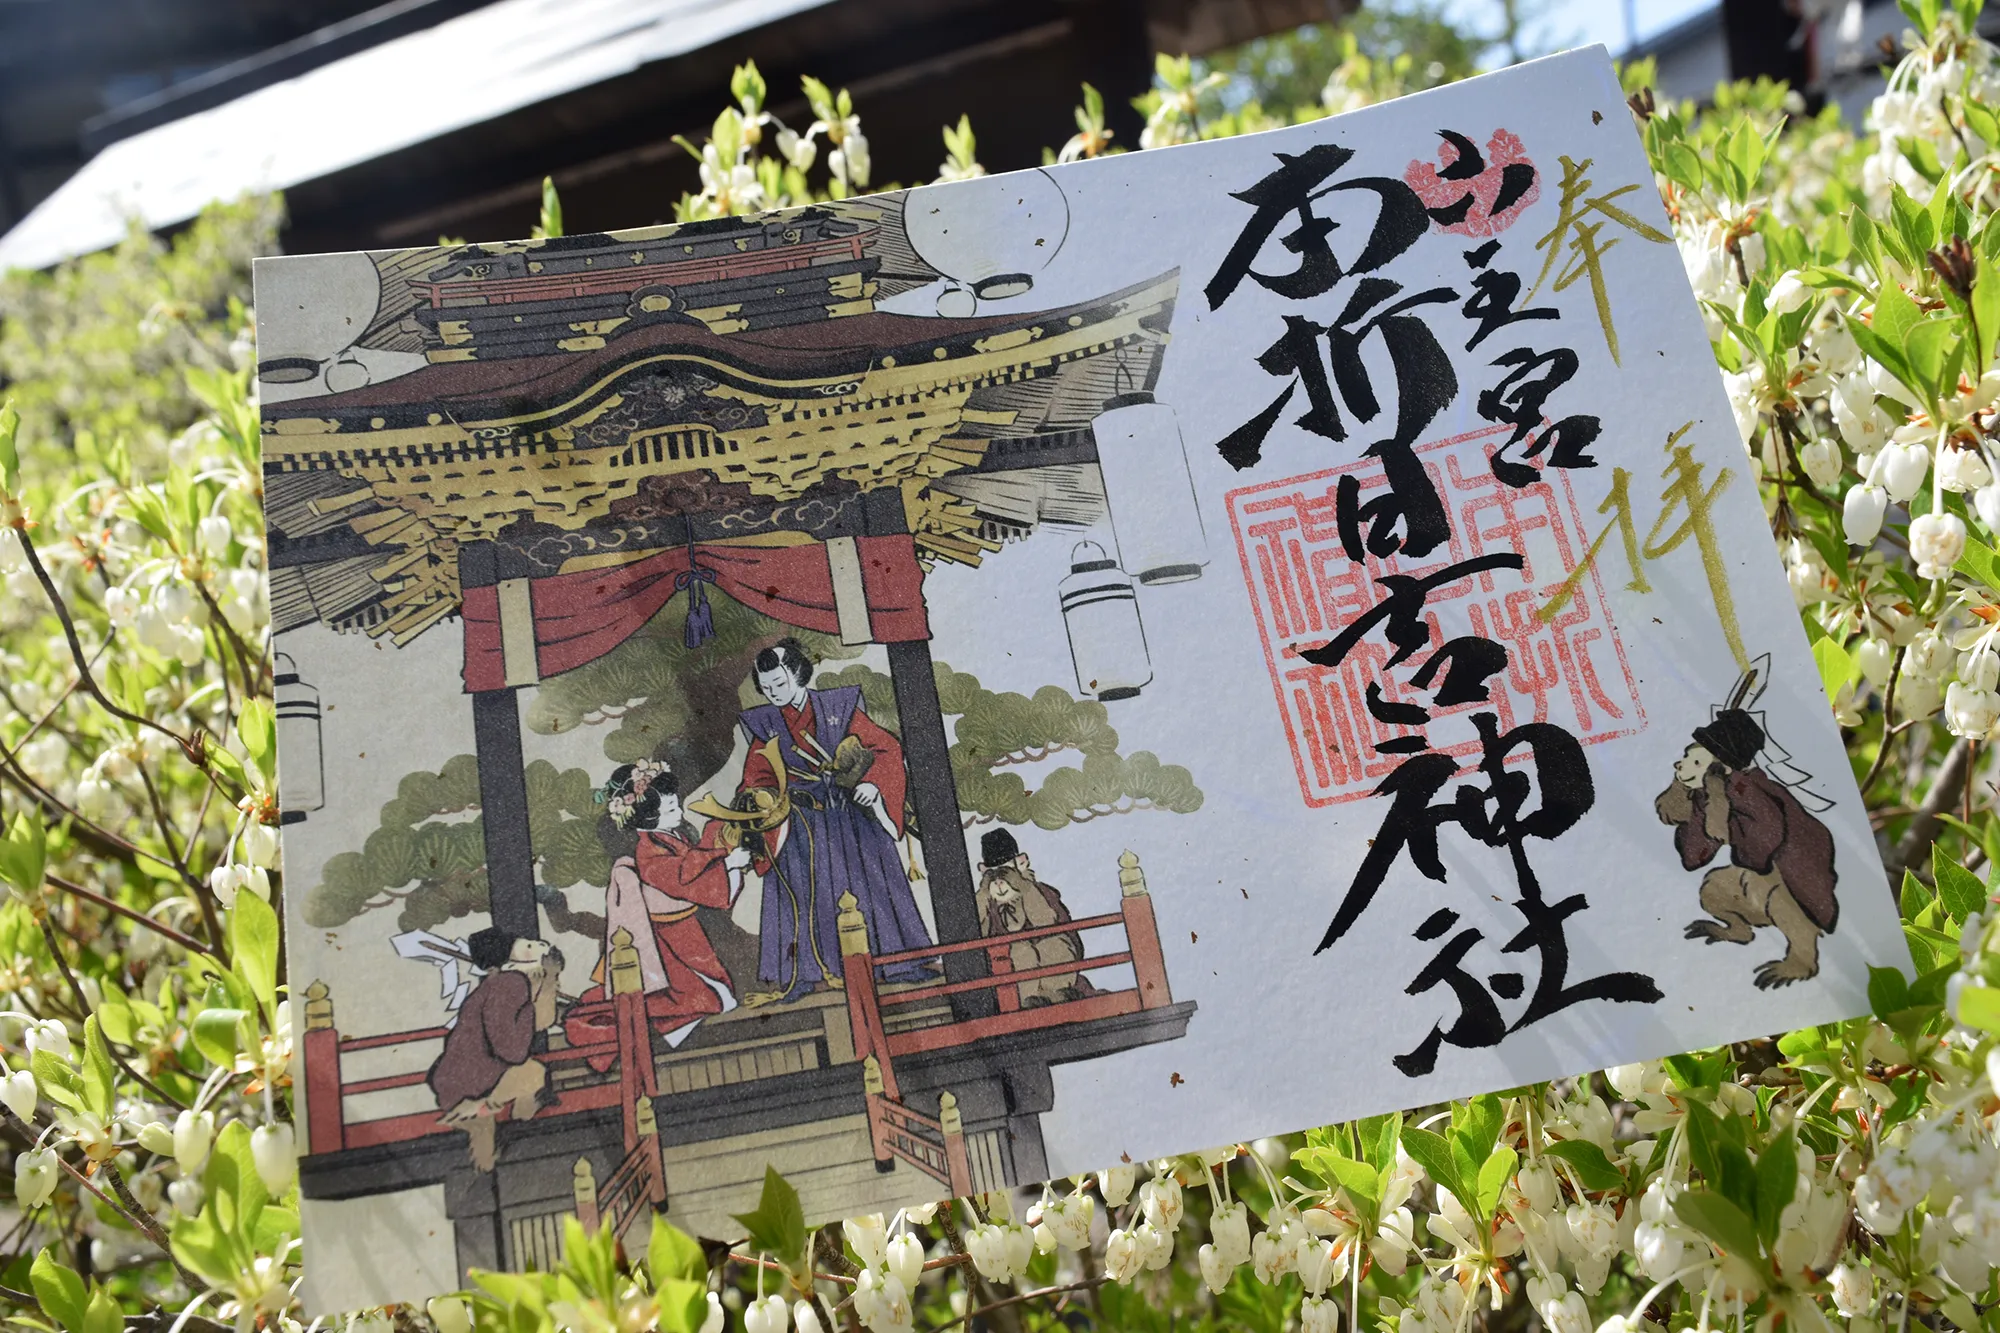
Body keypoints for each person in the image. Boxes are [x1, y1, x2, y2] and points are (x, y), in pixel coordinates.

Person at [734, 638, 935, 1003]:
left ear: (799, 674)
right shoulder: (765, 724)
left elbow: (885, 748)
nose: (774, 693)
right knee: (800, 894)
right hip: (800, 825)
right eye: (766, 688)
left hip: (850, 817)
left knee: (872, 885)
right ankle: (803, 975)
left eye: (779, 684)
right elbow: (756, 778)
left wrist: (873, 784)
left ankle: (899, 963)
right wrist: (762, 799)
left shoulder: (837, 708)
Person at [571, 759, 751, 1050]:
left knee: (718, 992)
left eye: (676, 805)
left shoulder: (670, 837)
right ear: (644, 819)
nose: (679, 813)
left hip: (684, 929)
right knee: (706, 996)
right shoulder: (649, 853)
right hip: (667, 937)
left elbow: (692, 862)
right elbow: (683, 878)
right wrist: (728, 863)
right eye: (670, 810)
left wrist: (720, 845)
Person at [1655, 706, 1838, 990]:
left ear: (1721, 768)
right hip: (1755, 869)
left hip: (1791, 871)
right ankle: (1739, 930)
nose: (1681, 765)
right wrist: (1690, 803)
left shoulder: (1749, 790)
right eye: (1686, 758)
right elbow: (1694, 856)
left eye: (1695, 761)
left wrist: (1721, 817)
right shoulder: (1709, 796)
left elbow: (1767, 838)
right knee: (1714, 888)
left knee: (1766, 891)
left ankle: (1803, 959)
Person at [427, 927, 563, 1171]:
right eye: (528, 946)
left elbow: (537, 1020)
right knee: (533, 1074)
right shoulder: (509, 984)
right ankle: (516, 1128)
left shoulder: (499, 984)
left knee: (531, 1075)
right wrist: (548, 980)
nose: (540, 948)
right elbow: (513, 1049)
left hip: (461, 1080)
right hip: (474, 1083)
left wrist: (548, 981)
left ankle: (501, 1133)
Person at [974, 829, 1095, 1007]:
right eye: (993, 873)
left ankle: (1056, 992)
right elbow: (977, 929)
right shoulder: (986, 900)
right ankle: (1027, 999)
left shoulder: (1036, 890)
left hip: (1049, 953)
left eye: (1006, 870)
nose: (999, 881)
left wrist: (1025, 888)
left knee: (1054, 945)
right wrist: (984, 896)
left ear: (1021, 862)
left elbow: (1046, 921)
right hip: (1009, 963)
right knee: (1020, 952)